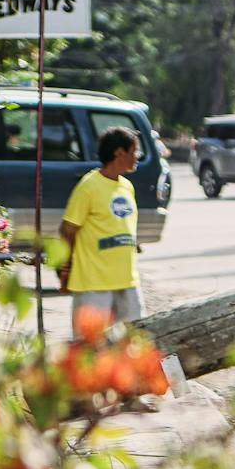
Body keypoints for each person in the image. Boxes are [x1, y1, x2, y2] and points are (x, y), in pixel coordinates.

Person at [59, 126, 143, 334]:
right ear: (119, 153)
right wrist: (65, 269)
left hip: (127, 281)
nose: (137, 157)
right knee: (89, 350)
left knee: (134, 344)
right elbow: (67, 230)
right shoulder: (88, 186)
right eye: (134, 151)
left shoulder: (127, 186)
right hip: (93, 284)